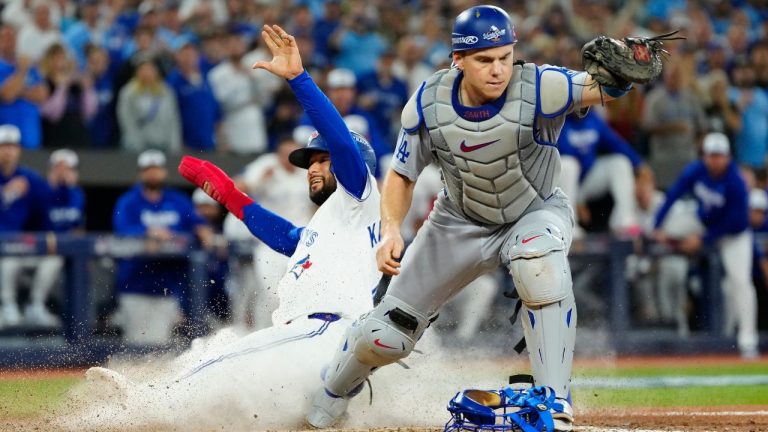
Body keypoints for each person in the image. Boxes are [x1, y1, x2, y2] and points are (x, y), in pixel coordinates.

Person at [309, 6, 643, 430]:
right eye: (485, 60)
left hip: (534, 210)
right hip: (457, 221)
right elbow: (400, 175)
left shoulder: (541, 85)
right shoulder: (428, 104)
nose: (499, 69)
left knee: (538, 260)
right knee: (387, 334)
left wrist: (624, 68)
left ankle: (554, 404)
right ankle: (328, 396)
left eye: (505, 57)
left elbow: (602, 89)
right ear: (458, 60)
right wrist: (391, 228)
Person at [79, 24, 384, 429]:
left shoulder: (359, 195)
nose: (313, 166)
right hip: (320, 342)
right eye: (310, 161)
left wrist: (299, 78)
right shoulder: (333, 224)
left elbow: (342, 143)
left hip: (327, 330)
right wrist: (229, 197)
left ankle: (147, 405)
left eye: (321, 159)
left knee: (224, 357)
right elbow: (286, 237)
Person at [654, 132, 759, 359]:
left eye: (720, 155)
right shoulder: (696, 170)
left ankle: (747, 341)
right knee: (669, 225)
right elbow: (673, 194)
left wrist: (702, 240)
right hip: (703, 222)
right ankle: (670, 249)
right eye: (712, 155)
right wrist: (657, 224)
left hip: (733, 235)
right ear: (705, 156)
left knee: (740, 282)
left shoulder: (736, 182)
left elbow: (736, 221)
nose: (715, 160)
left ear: (728, 157)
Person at [112, 149, 212, 345]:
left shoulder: (177, 200)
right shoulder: (128, 202)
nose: (153, 174)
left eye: (156, 169)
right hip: (135, 284)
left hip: (168, 285)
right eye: (148, 169)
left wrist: (202, 228)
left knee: (160, 346)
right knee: (136, 345)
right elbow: (121, 230)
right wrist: (147, 231)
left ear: (164, 172)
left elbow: (196, 223)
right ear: (141, 173)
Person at [557, 110, 649, 237]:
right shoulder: (556, 119)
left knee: (619, 162)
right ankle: (568, 224)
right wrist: (576, 202)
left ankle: (625, 220)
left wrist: (640, 165)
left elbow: (616, 143)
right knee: (569, 164)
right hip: (560, 187)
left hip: (585, 183)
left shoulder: (593, 118)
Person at [0, 124, 53, 327]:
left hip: (21, 246)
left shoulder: (29, 178)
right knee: (9, 261)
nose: (7, 151)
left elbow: (48, 205)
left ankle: (35, 305)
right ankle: (8, 305)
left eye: (12, 146)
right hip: (3, 249)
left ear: (18, 150)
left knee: (53, 258)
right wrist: (6, 194)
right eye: (3, 146)